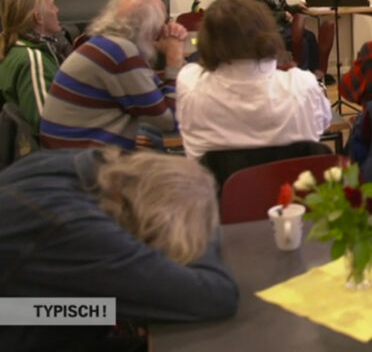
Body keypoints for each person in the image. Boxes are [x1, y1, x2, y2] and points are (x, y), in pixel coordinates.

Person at [0, 148, 238, 351]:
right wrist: (199, 225)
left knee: (112, 311)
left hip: (15, 310)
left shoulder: (75, 165)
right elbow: (214, 297)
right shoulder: (73, 226)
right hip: (16, 324)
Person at [176, 0, 332, 160]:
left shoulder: (190, 82)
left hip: (214, 185)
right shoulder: (302, 85)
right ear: (268, 33)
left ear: (207, 39)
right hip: (291, 183)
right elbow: (323, 124)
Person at [40, 0, 187, 150]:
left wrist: (171, 69)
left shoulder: (104, 44)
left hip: (66, 147)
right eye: (161, 25)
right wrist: (174, 60)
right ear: (149, 29)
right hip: (82, 159)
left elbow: (147, 89)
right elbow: (168, 120)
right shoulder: (121, 53)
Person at [0, 0, 65, 132]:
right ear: (38, 17)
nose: (57, 10)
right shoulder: (32, 59)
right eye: (52, 5)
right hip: (49, 152)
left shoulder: (11, 51)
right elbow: (46, 123)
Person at [249, 0, 321, 77]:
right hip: (269, 30)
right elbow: (261, 15)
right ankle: (301, 75)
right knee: (301, 42)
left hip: (281, 26)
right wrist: (282, 15)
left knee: (310, 36)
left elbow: (285, 8)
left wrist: (298, 7)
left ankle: (315, 72)